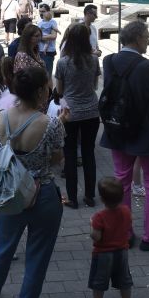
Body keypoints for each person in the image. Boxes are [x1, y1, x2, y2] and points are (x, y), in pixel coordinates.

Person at [0, 66, 66, 298]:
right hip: (42, 195)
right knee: (37, 257)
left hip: (9, 192)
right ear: (41, 90)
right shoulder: (50, 123)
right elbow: (57, 159)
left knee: (4, 246)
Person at [99, 21, 149, 251]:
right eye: (147, 36)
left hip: (118, 128)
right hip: (147, 131)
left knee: (122, 181)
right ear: (138, 38)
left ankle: (125, 234)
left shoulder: (109, 61)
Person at [55, 24, 100, 209]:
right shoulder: (94, 60)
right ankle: (90, 196)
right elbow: (95, 85)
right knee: (89, 153)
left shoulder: (63, 62)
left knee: (70, 153)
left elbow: (59, 90)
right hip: (91, 111)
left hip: (70, 113)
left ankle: (72, 198)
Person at [84, 177, 134, 298]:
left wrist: (91, 225)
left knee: (99, 279)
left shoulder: (99, 217)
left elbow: (97, 236)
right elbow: (128, 225)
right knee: (124, 278)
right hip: (122, 251)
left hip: (103, 254)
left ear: (102, 198)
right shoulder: (126, 211)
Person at [36, 4, 59, 74]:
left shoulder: (53, 22)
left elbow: (54, 36)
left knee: (47, 74)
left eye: (43, 11)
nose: (41, 13)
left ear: (49, 12)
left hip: (49, 51)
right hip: (39, 50)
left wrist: (40, 38)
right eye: (40, 11)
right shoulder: (40, 21)